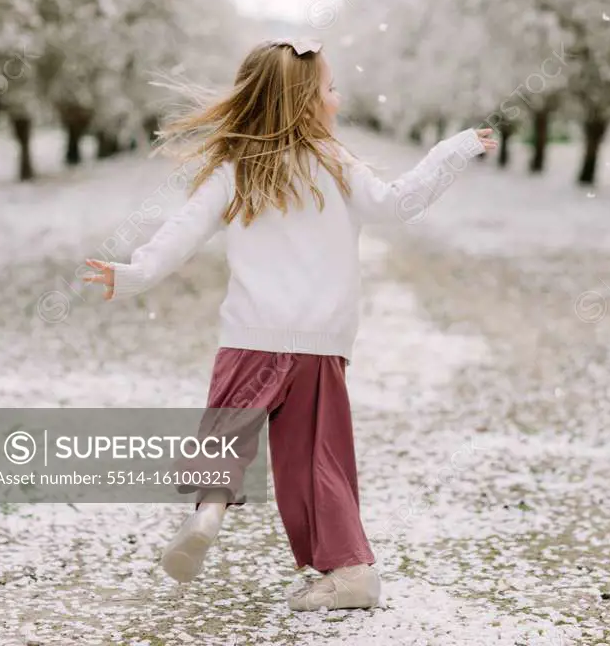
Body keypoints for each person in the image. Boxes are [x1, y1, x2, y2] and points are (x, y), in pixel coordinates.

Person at [83, 37, 497, 611]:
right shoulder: (337, 164)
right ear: (304, 103)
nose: (338, 97)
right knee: (315, 461)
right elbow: (399, 203)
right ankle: (349, 571)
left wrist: (132, 274)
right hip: (320, 344)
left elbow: (183, 230)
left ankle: (209, 513)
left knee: (225, 435)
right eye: (329, 88)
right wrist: (451, 152)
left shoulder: (236, 170)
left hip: (251, 335)